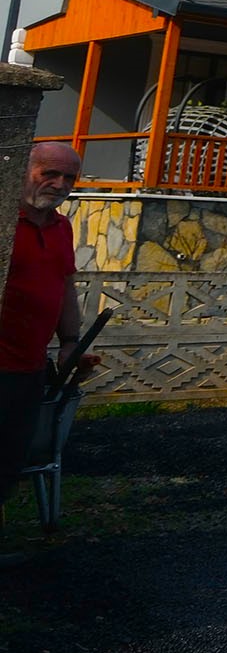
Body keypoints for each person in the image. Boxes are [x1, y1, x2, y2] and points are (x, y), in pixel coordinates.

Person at [1, 143, 96, 509]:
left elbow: (64, 285)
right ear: (26, 171)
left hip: (29, 368)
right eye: (49, 174)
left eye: (69, 177)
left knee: (9, 463)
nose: (59, 184)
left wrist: (70, 341)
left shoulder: (61, 228)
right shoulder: (5, 220)